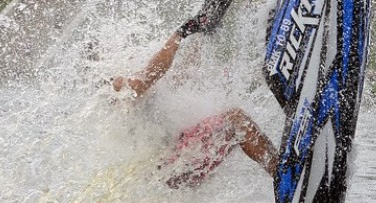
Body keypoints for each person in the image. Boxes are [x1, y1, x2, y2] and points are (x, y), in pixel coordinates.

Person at [112, 22, 276, 188]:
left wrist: (201, 35)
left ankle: (282, 171)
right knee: (236, 120)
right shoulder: (122, 86)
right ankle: (282, 174)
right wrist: (181, 33)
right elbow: (156, 70)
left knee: (232, 121)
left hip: (172, 162)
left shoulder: (130, 93)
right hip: (168, 166)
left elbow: (175, 76)